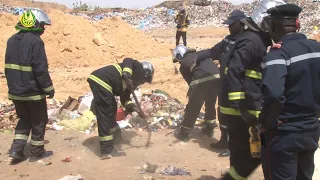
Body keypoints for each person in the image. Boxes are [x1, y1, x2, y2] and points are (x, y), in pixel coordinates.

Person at [221, 0, 286, 179]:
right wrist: (240, 106)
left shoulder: (254, 38)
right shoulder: (253, 40)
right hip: (243, 108)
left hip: (244, 105)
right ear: (264, 21)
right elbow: (234, 69)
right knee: (257, 151)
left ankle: (233, 176)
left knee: (242, 152)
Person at [260, 3, 320, 180]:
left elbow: (273, 94)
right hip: (311, 130)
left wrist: (268, 123)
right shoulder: (316, 49)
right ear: (298, 24)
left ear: (272, 26)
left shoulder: (277, 55)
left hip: (284, 134)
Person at [5, 8, 54, 164]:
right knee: (39, 121)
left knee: (24, 119)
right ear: (35, 24)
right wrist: (49, 89)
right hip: (32, 92)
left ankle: (16, 150)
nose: (43, 29)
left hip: (16, 92)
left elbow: (9, 68)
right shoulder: (35, 41)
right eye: (42, 25)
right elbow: (40, 69)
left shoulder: (11, 40)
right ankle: (36, 153)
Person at [87, 58, 154, 160]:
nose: (143, 82)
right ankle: (107, 150)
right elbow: (128, 60)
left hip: (106, 86)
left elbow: (124, 98)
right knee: (106, 113)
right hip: (101, 81)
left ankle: (115, 138)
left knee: (112, 108)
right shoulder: (137, 67)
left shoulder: (132, 83)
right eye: (145, 79)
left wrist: (131, 107)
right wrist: (127, 73)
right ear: (145, 73)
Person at [172, 45, 220, 141]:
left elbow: (191, 82)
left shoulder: (184, 65)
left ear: (180, 56)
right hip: (217, 77)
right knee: (210, 103)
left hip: (201, 80)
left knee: (193, 107)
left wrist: (193, 96)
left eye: (178, 60)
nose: (179, 62)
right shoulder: (200, 54)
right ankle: (209, 128)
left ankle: (184, 132)